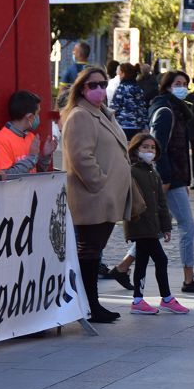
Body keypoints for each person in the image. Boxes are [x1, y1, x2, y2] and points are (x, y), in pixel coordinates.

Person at [61, 67, 132, 324]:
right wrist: (100, 183)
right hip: (93, 197)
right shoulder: (80, 116)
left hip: (105, 196)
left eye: (103, 84)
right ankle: (90, 305)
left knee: (94, 252)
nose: (100, 89)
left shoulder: (102, 113)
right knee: (89, 252)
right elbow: (81, 157)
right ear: (82, 88)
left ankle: (91, 304)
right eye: (93, 85)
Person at [143, 71, 194, 295]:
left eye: (185, 84)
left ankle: (123, 267)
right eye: (177, 83)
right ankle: (189, 278)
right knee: (187, 227)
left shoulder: (179, 109)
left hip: (176, 177)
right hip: (169, 178)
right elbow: (159, 147)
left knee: (152, 229)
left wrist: (185, 180)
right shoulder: (165, 110)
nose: (182, 87)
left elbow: (181, 148)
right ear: (166, 87)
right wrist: (165, 178)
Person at [124, 133, 190, 315]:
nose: (149, 151)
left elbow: (161, 203)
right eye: (145, 147)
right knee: (161, 259)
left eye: (152, 148)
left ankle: (138, 300)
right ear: (136, 149)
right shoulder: (132, 171)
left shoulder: (153, 172)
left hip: (151, 226)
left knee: (142, 262)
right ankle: (167, 298)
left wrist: (166, 226)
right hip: (139, 224)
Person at [0, 90, 56, 175]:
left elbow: (36, 172)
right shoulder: (0, 140)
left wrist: (45, 156)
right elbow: (5, 177)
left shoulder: (30, 137)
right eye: (37, 114)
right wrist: (32, 157)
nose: (38, 118)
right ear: (29, 117)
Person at [110, 63, 149, 140]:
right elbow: (142, 108)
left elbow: (115, 107)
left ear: (123, 74)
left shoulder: (121, 88)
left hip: (123, 125)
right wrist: (144, 124)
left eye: (119, 73)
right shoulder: (138, 88)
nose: (118, 76)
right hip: (137, 126)